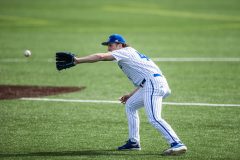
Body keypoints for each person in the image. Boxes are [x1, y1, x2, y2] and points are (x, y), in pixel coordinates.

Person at [74, 34, 187, 156]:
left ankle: (177, 143)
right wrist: (131, 94)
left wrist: (77, 60)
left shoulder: (124, 51)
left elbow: (100, 56)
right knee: (130, 105)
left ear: (120, 45)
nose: (108, 48)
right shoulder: (129, 53)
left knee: (154, 118)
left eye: (110, 45)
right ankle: (134, 142)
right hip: (153, 83)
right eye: (108, 45)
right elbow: (145, 77)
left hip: (153, 84)